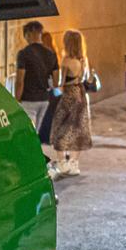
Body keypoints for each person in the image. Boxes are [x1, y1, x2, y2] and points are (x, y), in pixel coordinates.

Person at [50, 29, 93, 175]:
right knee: (78, 130)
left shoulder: (66, 61)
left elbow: (60, 83)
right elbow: (86, 79)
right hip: (81, 95)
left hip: (68, 96)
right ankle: (74, 164)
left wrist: (52, 85)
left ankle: (63, 163)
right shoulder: (83, 60)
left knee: (60, 129)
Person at [14, 20, 60, 135]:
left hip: (28, 100)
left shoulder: (23, 54)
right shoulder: (51, 54)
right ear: (40, 33)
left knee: (27, 134)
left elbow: (20, 81)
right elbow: (55, 82)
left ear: (28, 34)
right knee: (36, 133)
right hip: (44, 100)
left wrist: (16, 100)